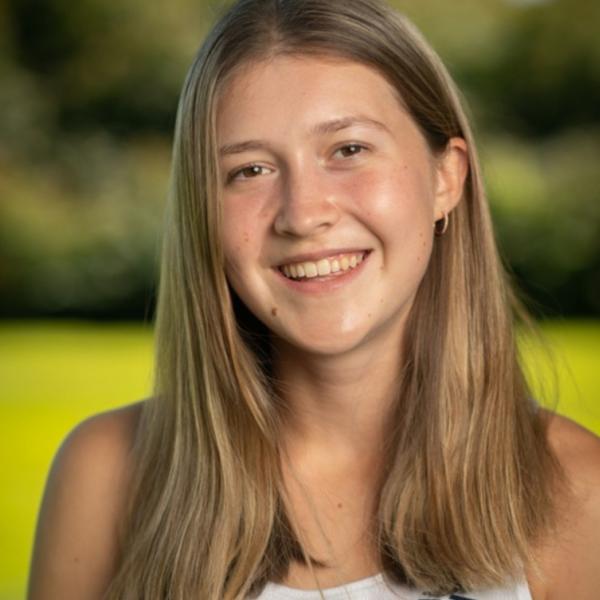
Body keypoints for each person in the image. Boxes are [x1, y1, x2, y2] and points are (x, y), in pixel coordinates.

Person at [27, 0, 600, 598]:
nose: (302, 215)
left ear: (445, 178)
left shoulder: (578, 492)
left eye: (348, 150)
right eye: (249, 170)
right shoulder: (106, 476)